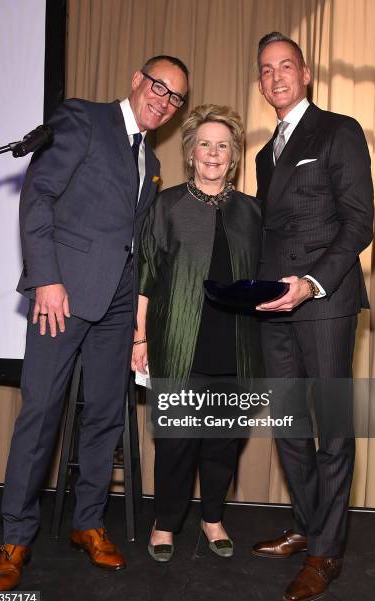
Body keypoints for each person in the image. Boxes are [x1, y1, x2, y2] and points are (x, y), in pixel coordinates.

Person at [0, 55, 189, 591]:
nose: (164, 101)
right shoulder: (83, 119)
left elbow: (135, 240)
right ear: (136, 80)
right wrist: (46, 279)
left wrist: (140, 326)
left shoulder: (149, 158)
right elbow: (39, 195)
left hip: (118, 306)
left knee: (104, 418)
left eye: (175, 98)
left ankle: (88, 523)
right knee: (42, 414)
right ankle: (15, 539)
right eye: (159, 87)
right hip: (63, 296)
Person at [251, 32, 374, 601]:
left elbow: (357, 222)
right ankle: (306, 524)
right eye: (266, 70)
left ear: (305, 73)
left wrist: (311, 283)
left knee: (331, 429)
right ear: (261, 82)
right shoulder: (263, 152)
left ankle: (326, 552)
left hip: (324, 300)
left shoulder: (339, 130)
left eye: (285, 66)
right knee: (289, 426)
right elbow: (271, 233)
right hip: (274, 305)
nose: (275, 76)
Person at [131, 104, 264, 563]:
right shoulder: (166, 206)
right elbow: (146, 275)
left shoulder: (251, 211)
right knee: (177, 443)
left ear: (234, 157)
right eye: (205, 144)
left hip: (236, 347)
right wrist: (139, 339)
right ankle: (165, 523)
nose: (213, 153)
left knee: (223, 443)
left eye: (223, 145)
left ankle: (212, 519)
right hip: (178, 345)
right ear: (190, 153)